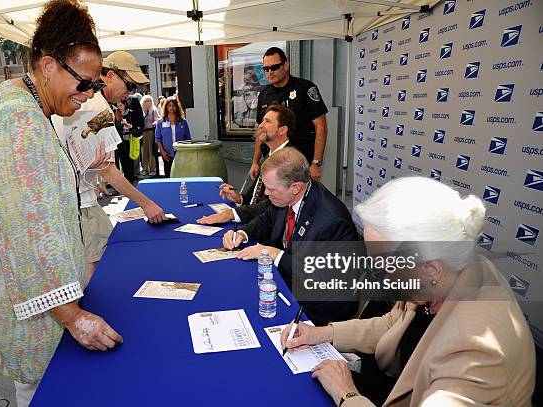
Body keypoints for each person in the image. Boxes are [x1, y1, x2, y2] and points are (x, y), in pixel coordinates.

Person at [0, 2, 123, 406]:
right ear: (49, 65)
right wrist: (74, 317)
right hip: (30, 310)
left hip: (28, 302)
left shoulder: (13, 105)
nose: (90, 94)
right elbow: (28, 235)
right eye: (85, 83)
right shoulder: (18, 123)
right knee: (43, 394)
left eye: (95, 86)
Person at [280, 177, 536, 406]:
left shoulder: (477, 353)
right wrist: (321, 333)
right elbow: (394, 323)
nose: (376, 272)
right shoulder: (443, 276)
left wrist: (346, 393)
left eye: (383, 263)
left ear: (431, 268)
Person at [54, 50, 167, 287]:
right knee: (93, 273)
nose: (131, 92)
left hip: (79, 200)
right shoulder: (94, 104)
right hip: (78, 206)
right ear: (111, 76)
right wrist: (147, 204)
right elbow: (107, 169)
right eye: (129, 84)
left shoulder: (93, 102)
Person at [223, 147, 359, 325]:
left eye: (271, 189)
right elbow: (266, 219)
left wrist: (274, 253)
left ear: (295, 187)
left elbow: (319, 275)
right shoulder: (287, 197)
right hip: (288, 283)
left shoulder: (331, 220)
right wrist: (241, 233)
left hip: (318, 307)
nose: (266, 193)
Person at [197, 104, 293, 225]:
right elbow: (256, 199)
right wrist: (239, 198)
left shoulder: (289, 161)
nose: (261, 125)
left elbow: (271, 205)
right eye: (262, 121)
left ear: (282, 130)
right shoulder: (270, 155)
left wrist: (230, 214)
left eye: (267, 121)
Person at [252, 47, 328, 181]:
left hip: (300, 162)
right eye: (266, 69)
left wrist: (316, 163)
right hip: (272, 162)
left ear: (286, 66)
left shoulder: (305, 88)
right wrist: (255, 161)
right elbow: (261, 130)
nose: (270, 72)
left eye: (274, 67)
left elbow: (321, 127)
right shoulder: (264, 95)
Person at [155, 96, 191, 177]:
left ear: (177, 107)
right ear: (166, 107)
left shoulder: (183, 121)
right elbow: (157, 139)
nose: (172, 107)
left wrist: (186, 152)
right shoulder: (161, 122)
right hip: (167, 154)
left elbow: (188, 138)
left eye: (174, 105)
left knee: (181, 175)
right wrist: (163, 152)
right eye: (169, 105)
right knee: (168, 175)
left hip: (181, 153)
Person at [140, 94, 159, 176]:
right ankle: (145, 169)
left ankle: (152, 169)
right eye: (147, 100)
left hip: (151, 132)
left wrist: (154, 123)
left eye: (150, 100)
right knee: (144, 151)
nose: (149, 102)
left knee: (151, 151)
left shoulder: (154, 110)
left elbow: (157, 120)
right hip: (143, 133)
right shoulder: (141, 111)